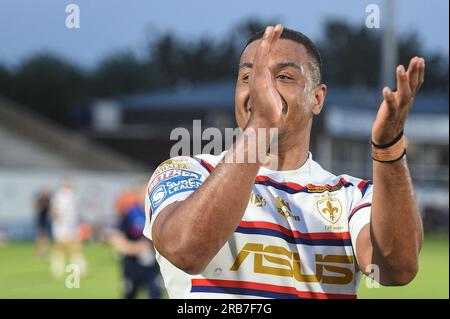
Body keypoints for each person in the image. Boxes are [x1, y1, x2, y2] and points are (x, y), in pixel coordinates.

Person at [144, 25, 425, 298]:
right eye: (248, 77)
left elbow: (397, 269)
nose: (260, 87)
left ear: (317, 98)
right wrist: (262, 125)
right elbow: (185, 250)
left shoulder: (354, 196)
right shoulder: (186, 172)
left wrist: (388, 149)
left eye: (283, 77)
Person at [112, 185, 162, 299]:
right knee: (130, 294)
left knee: (155, 293)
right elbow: (118, 239)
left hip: (153, 265)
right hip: (132, 264)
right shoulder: (130, 213)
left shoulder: (157, 213)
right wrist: (135, 248)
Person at [49, 179, 87, 278]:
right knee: (63, 246)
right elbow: (55, 211)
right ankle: (60, 269)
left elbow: (76, 211)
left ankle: (76, 268)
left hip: (72, 225)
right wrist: (61, 224)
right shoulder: (60, 196)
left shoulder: (73, 195)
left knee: (73, 246)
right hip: (63, 225)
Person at [35, 189, 52, 256]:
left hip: (45, 222)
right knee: (41, 237)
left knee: (45, 238)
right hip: (41, 222)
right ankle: (40, 251)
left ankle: (44, 251)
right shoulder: (41, 203)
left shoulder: (48, 202)